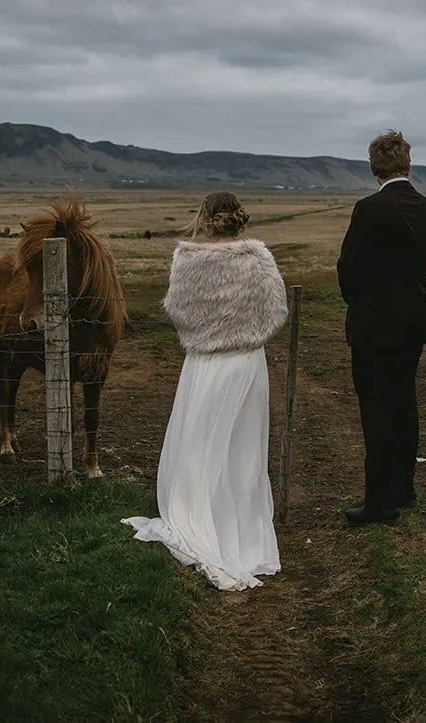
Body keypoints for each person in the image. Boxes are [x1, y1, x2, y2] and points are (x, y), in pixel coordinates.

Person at [122, 191, 289, 590]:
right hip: (246, 363)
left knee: (200, 441)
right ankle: (243, 534)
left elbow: (177, 310)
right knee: (244, 448)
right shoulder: (258, 260)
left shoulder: (187, 260)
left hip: (204, 363)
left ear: (204, 217)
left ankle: (199, 515)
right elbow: (276, 310)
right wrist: (245, 335)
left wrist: (205, 334)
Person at [336, 129, 426, 525]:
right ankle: (404, 487)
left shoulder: (369, 209)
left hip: (373, 323)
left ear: (373, 167)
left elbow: (349, 267)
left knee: (376, 406)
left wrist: (358, 300)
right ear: (407, 164)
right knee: (404, 401)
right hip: (413, 320)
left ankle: (380, 502)